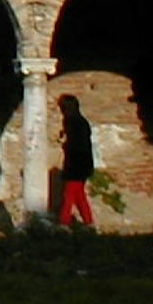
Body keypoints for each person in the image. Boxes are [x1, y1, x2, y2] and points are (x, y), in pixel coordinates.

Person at [57, 94, 95, 226]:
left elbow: (80, 145)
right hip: (77, 163)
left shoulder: (78, 123)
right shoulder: (71, 121)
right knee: (79, 195)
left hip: (78, 163)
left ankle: (64, 223)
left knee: (69, 195)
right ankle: (88, 222)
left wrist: (66, 144)